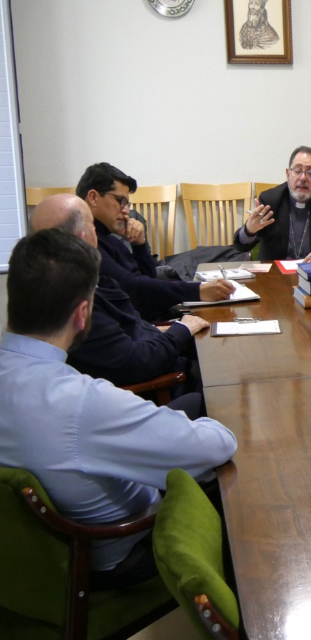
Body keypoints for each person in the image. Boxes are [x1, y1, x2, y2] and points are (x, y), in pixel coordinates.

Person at [0, 229, 237, 589]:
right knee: (232, 458)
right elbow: (218, 446)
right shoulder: (83, 402)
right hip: (120, 554)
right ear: (83, 313)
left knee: (194, 404)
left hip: (33, 560)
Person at [30, 194, 209, 389]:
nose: (125, 210)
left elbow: (128, 331)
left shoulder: (53, 292)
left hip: (157, 350)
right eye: (92, 225)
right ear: (82, 238)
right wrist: (181, 329)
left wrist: (165, 330)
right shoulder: (79, 304)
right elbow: (137, 363)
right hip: (157, 387)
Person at [77, 162, 234, 321]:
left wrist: (139, 244)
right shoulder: (86, 243)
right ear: (93, 197)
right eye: (120, 201)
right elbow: (132, 288)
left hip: (151, 320)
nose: (125, 211)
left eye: (127, 203)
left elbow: (148, 279)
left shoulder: (109, 238)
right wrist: (198, 291)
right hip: (143, 329)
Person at [234, 146, 311, 261]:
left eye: (310, 173)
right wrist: (249, 230)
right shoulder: (270, 200)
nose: (303, 178)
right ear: (288, 173)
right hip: (275, 276)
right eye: (297, 171)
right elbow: (241, 246)